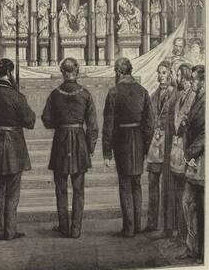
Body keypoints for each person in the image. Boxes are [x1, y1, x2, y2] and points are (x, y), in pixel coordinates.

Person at [41, 58, 98, 238]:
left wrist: (61, 123)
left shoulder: (55, 94)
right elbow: (93, 127)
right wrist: (89, 148)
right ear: (77, 71)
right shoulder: (86, 94)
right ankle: (76, 229)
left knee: (61, 188)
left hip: (61, 141)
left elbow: (46, 120)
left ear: (62, 72)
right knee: (79, 188)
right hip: (80, 142)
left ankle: (64, 226)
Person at [0, 59, 36, 240]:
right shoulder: (16, 96)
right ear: (10, 73)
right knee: (13, 189)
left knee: (2, 185)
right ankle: (10, 231)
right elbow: (30, 121)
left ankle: (2, 225)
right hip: (13, 143)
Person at [102, 57, 154, 237]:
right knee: (137, 183)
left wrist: (107, 152)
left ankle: (129, 228)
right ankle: (137, 226)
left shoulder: (114, 92)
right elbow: (149, 123)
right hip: (139, 140)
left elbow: (108, 124)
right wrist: (147, 146)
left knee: (125, 184)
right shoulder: (143, 90)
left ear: (117, 72)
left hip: (122, 141)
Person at [167, 64, 196, 246]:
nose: (178, 79)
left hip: (186, 146)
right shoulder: (180, 96)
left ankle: (186, 236)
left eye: (180, 75)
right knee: (178, 190)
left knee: (186, 194)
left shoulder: (192, 96)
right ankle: (179, 233)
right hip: (177, 145)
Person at [179, 65, 205, 262]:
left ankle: (201, 251)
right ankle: (192, 248)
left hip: (201, 161)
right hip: (194, 160)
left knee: (198, 206)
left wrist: (190, 154)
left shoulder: (207, 100)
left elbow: (206, 134)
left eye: (196, 79)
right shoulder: (196, 98)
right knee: (188, 203)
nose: (192, 82)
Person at [145, 61, 175, 235]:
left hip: (169, 143)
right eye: (159, 73)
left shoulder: (175, 94)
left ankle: (167, 226)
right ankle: (152, 223)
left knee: (167, 185)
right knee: (152, 182)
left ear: (170, 74)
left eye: (164, 73)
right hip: (155, 144)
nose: (160, 76)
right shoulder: (154, 94)